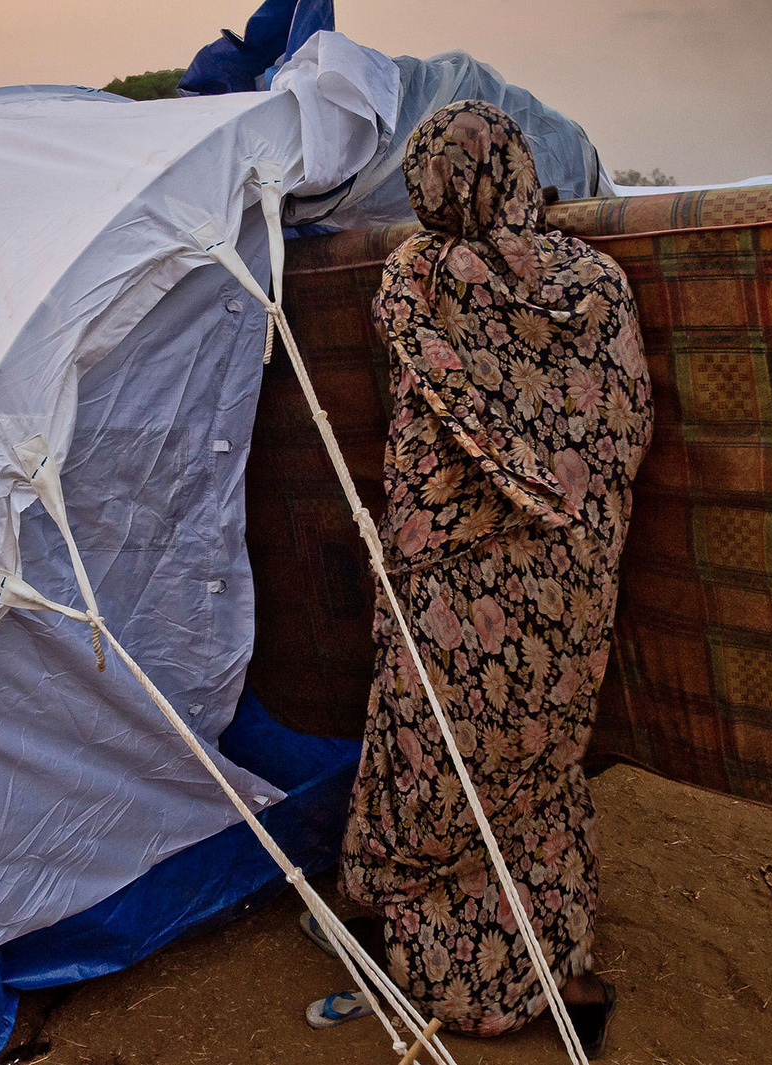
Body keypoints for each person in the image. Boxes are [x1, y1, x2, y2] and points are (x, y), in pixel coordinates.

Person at [302, 100, 653, 1058]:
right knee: (540, 765)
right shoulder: (599, 283)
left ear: (433, 183)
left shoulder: (419, 276)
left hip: (452, 582)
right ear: (517, 167)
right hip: (570, 583)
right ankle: (560, 964)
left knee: (439, 759)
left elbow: (428, 417)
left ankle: (448, 968)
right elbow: (623, 427)